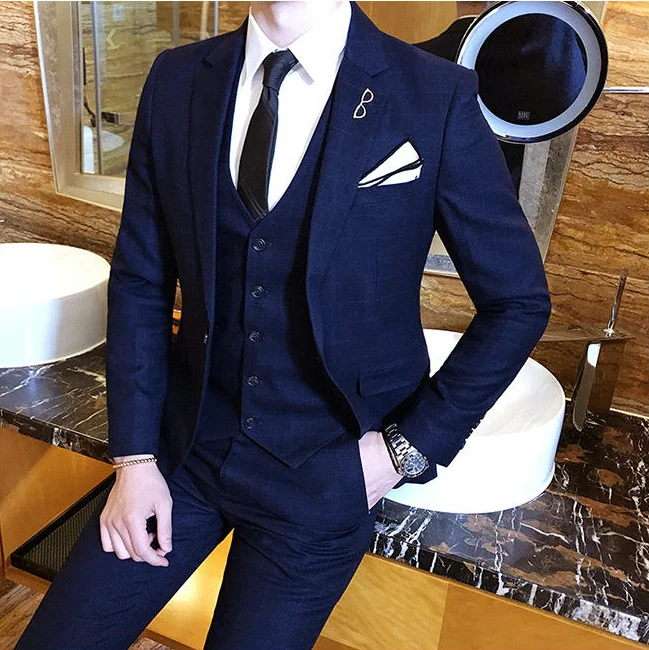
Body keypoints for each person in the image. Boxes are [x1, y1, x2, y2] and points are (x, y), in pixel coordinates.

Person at [16, 2, 551, 649]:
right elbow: (142, 282)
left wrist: (400, 453)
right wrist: (134, 458)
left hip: (324, 477)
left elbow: (517, 301)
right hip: (184, 453)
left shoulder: (431, 94)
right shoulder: (177, 78)